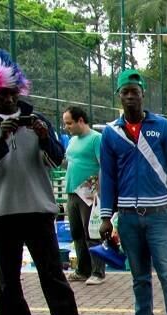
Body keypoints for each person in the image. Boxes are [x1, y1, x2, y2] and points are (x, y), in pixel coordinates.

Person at [0, 50, 91, 315]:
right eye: (1, 93)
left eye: (12, 93)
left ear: (19, 90)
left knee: (53, 274)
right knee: (7, 279)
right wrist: (0, 141)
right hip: (2, 211)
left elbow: (58, 158)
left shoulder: (35, 119)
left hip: (38, 209)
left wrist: (46, 137)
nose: (8, 99)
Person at [98, 68, 167, 315]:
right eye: (125, 91)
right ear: (119, 95)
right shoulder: (111, 134)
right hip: (128, 216)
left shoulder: (162, 127)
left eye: (134, 91)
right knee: (138, 275)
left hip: (159, 214)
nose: (130, 96)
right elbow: (108, 175)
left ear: (142, 94)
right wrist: (106, 216)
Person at [62, 106, 105, 285]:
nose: (66, 127)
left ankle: (98, 272)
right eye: (65, 123)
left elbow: (104, 165)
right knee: (77, 233)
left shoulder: (96, 138)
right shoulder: (72, 141)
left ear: (80, 120)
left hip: (88, 194)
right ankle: (82, 270)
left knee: (92, 233)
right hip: (72, 192)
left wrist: (98, 190)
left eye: (69, 123)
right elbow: (69, 161)